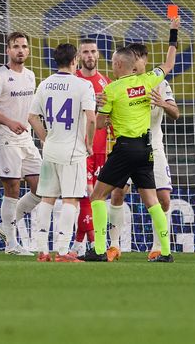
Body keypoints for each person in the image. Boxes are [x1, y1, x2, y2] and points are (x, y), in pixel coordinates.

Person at [79, 17, 180, 263]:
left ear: (117, 64)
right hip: (146, 149)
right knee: (152, 200)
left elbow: (101, 124)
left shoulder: (111, 90)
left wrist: (104, 109)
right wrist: (173, 32)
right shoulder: (147, 81)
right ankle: (165, 251)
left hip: (124, 149)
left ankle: (100, 249)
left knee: (97, 197)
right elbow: (168, 63)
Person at [107, 42, 180, 261]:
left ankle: (158, 247)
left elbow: (176, 113)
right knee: (118, 192)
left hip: (153, 146)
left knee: (163, 198)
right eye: (132, 56)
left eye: (139, 57)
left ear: (144, 60)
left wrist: (163, 104)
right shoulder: (119, 86)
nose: (136, 61)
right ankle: (114, 245)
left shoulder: (159, 84)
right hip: (128, 146)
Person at [28, 43, 97, 263]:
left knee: (47, 199)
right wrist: (89, 143)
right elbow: (92, 117)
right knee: (71, 200)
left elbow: (31, 117)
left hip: (50, 150)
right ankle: (63, 250)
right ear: (75, 59)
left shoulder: (45, 83)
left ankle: (41, 249)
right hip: (72, 151)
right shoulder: (83, 85)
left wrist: (44, 138)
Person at [0, 31, 42, 256]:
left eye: (24, 46)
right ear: (8, 50)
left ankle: (5, 227)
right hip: (6, 139)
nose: (20, 50)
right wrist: (9, 122)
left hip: (26, 140)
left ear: (28, 50)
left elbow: (30, 111)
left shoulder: (31, 75)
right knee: (13, 189)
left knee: (41, 187)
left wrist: (41, 133)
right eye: (16, 46)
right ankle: (11, 245)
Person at [69, 39, 111, 256]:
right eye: (85, 52)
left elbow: (110, 115)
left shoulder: (106, 82)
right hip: (80, 147)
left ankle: (78, 243)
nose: (90, 55)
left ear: (98, 54)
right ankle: (96, 244)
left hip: (101, 149)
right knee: (86, 195)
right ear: (78, 57)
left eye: (93, 51)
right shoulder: (73, 80)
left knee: (95, 196)